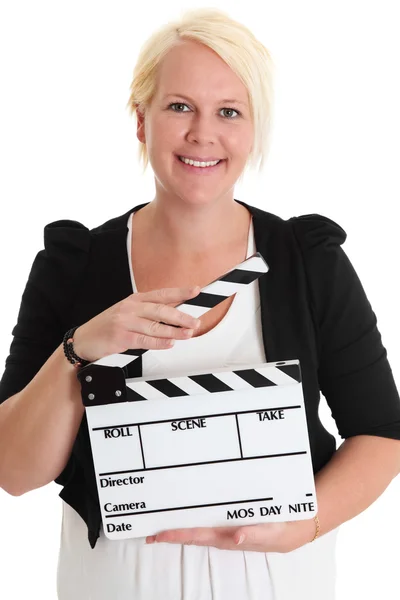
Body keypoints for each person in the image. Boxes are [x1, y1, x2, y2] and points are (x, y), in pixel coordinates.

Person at [0, 7, 399, 600]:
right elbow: (13, 471)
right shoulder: (75, 266)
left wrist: (304, 527)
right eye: (179, 106)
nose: (202, 133)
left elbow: (381, 434)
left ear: (254, 129)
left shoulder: (309, 263)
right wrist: (78, 351)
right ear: (141, 121)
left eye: (229, 111)